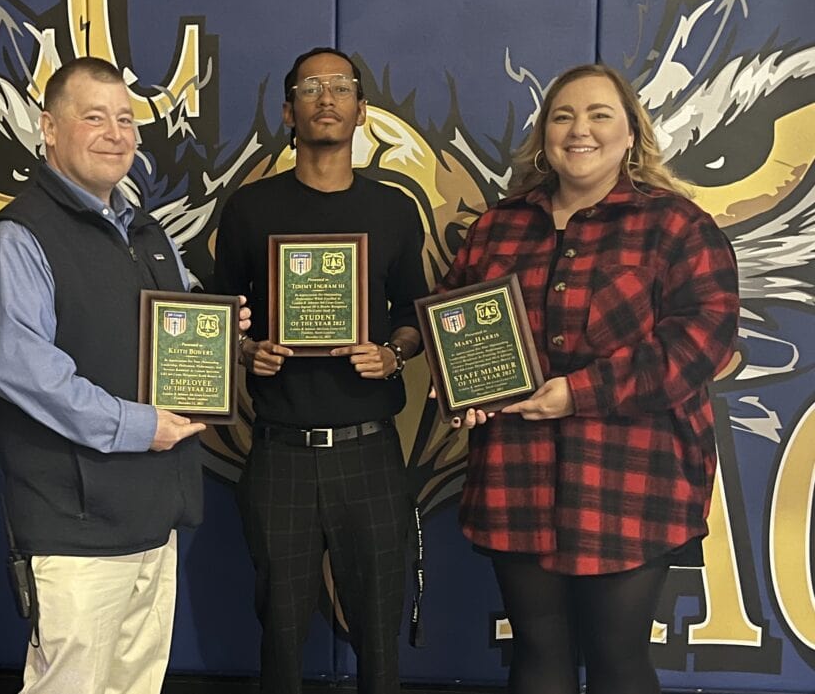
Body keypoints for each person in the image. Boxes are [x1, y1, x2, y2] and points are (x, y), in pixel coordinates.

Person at [437, 63, 740, 694]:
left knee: (618, 659)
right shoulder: (496, 227)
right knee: (536, 654)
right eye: (563, 116)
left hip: (632, 475)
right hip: (514, 470)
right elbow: (454, 314)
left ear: (631, 133)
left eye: (600, 115)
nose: (580, 130)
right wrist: (457, 383)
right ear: (544, 135)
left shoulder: (678, 226)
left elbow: (700, 341)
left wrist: (579, 393)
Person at [0, 56, 249, 694]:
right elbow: (23, 370)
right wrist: (139, 425)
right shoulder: (17, 238)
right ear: (49, 128)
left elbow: (173, 337)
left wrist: (219, 332)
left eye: (125, 119)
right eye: (94, 117)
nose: (115, 134)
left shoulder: (149, 234)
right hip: (75, 526)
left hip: (154, 514)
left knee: (136, 685)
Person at [212, 47, 427, 694]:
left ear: (362, 110)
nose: (325, 98)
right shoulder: (249, 210)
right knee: (279, 634)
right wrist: (246, 351)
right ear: (288, 111)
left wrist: (392, 353)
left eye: (340, 87)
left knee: (380, 633)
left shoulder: (394, 210)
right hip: (280, 450)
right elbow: (217, 320)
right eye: (310, 88)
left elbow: (416, 317)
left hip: (370, 451)